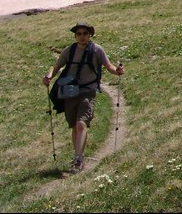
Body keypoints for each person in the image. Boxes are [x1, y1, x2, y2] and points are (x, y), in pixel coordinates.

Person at [43, 22, 124, 174]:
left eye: (85, 33)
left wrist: (117, 71)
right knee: (74, 125)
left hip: (88, 91)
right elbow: (56, 67)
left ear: (90, 35)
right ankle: (78, 156)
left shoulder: (97, 50)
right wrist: (48, 77)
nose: (82, 36)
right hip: (70, 92)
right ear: (75, 36)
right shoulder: (69, 50)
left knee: (81, 124)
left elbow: (109, 66)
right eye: (79, 33)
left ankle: (78, 158)